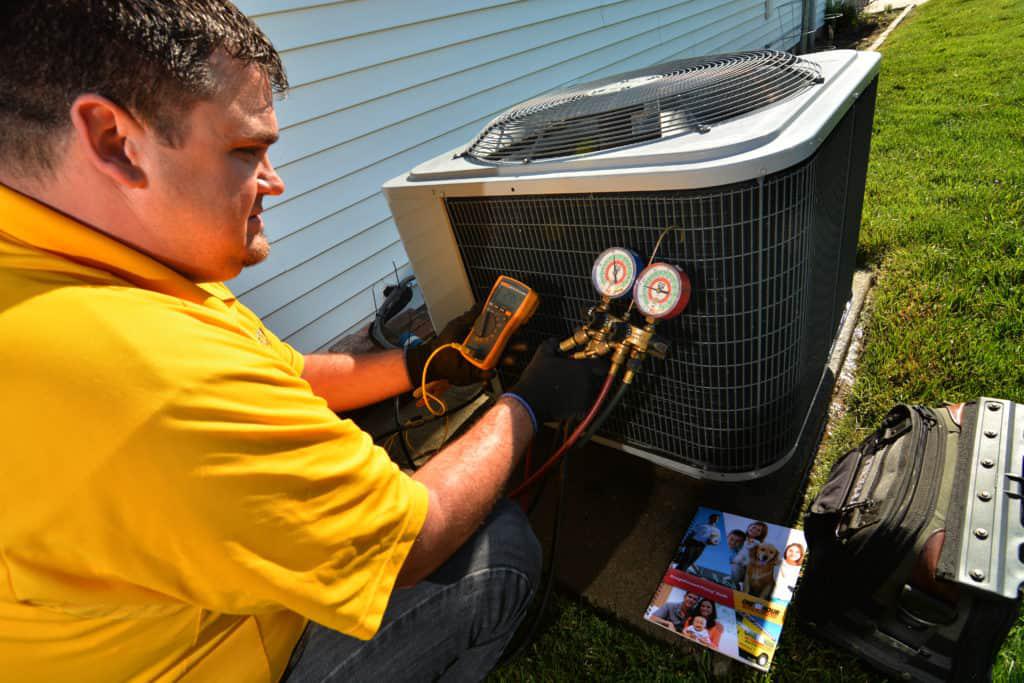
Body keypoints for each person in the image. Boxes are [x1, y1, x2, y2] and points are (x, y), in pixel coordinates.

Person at [0, 2, 607, 681]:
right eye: (245, 151)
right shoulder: (150, 376)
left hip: (130, 613)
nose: (274, 181)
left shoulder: (81, 261)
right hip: (202, 660)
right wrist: (525, 405)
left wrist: (421, 363)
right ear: (114, 139)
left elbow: (280, 370)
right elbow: (415, 535)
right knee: (498, 551)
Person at [730, 521, 769, 591]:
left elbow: (763, 561)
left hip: (745, 569)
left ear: (761, 534)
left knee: (736, 567)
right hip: (731, 562)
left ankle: (734, 585)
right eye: (754, 527)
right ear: (749, 527)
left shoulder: (759, 545)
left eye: (758, 530)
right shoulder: (739, 536)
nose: (754, 530)